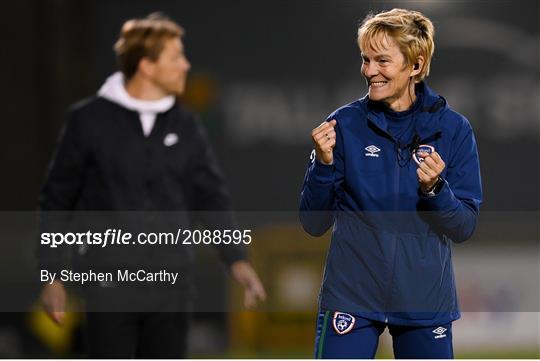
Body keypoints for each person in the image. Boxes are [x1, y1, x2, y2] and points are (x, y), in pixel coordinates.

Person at [38, 13, 266, 358]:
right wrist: (51, 274)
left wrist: (236, 259)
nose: (186, 65)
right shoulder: (87, 122)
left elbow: (210, 196)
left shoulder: (186, 126)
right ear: (146, 65)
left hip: (171, 288)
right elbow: (57, 200)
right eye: (176, 57)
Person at [299, 8, 482, 359]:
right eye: (365, 59)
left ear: (415, 65)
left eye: (382, 60)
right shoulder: (343, 125)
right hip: (352, 296)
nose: (369, 71)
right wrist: (322, 166)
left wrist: (435, 190)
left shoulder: (453, 130)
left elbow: (464, 226)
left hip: (424, 299)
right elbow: (313, 223)